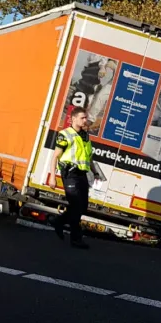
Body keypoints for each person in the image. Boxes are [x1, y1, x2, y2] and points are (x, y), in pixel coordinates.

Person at [47, 107, 97, 249]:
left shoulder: (85, 136)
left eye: (86, 117)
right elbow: (55, 156)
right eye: (82, 118)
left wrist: (95, 172)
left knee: (83, 206)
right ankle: (76, 239)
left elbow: (89, 157)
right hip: (69, 174)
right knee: (75, 206)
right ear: (73, 119)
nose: (85, 120)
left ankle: (58, 221)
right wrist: (52, 177)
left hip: (82, 174)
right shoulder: (65, 134)